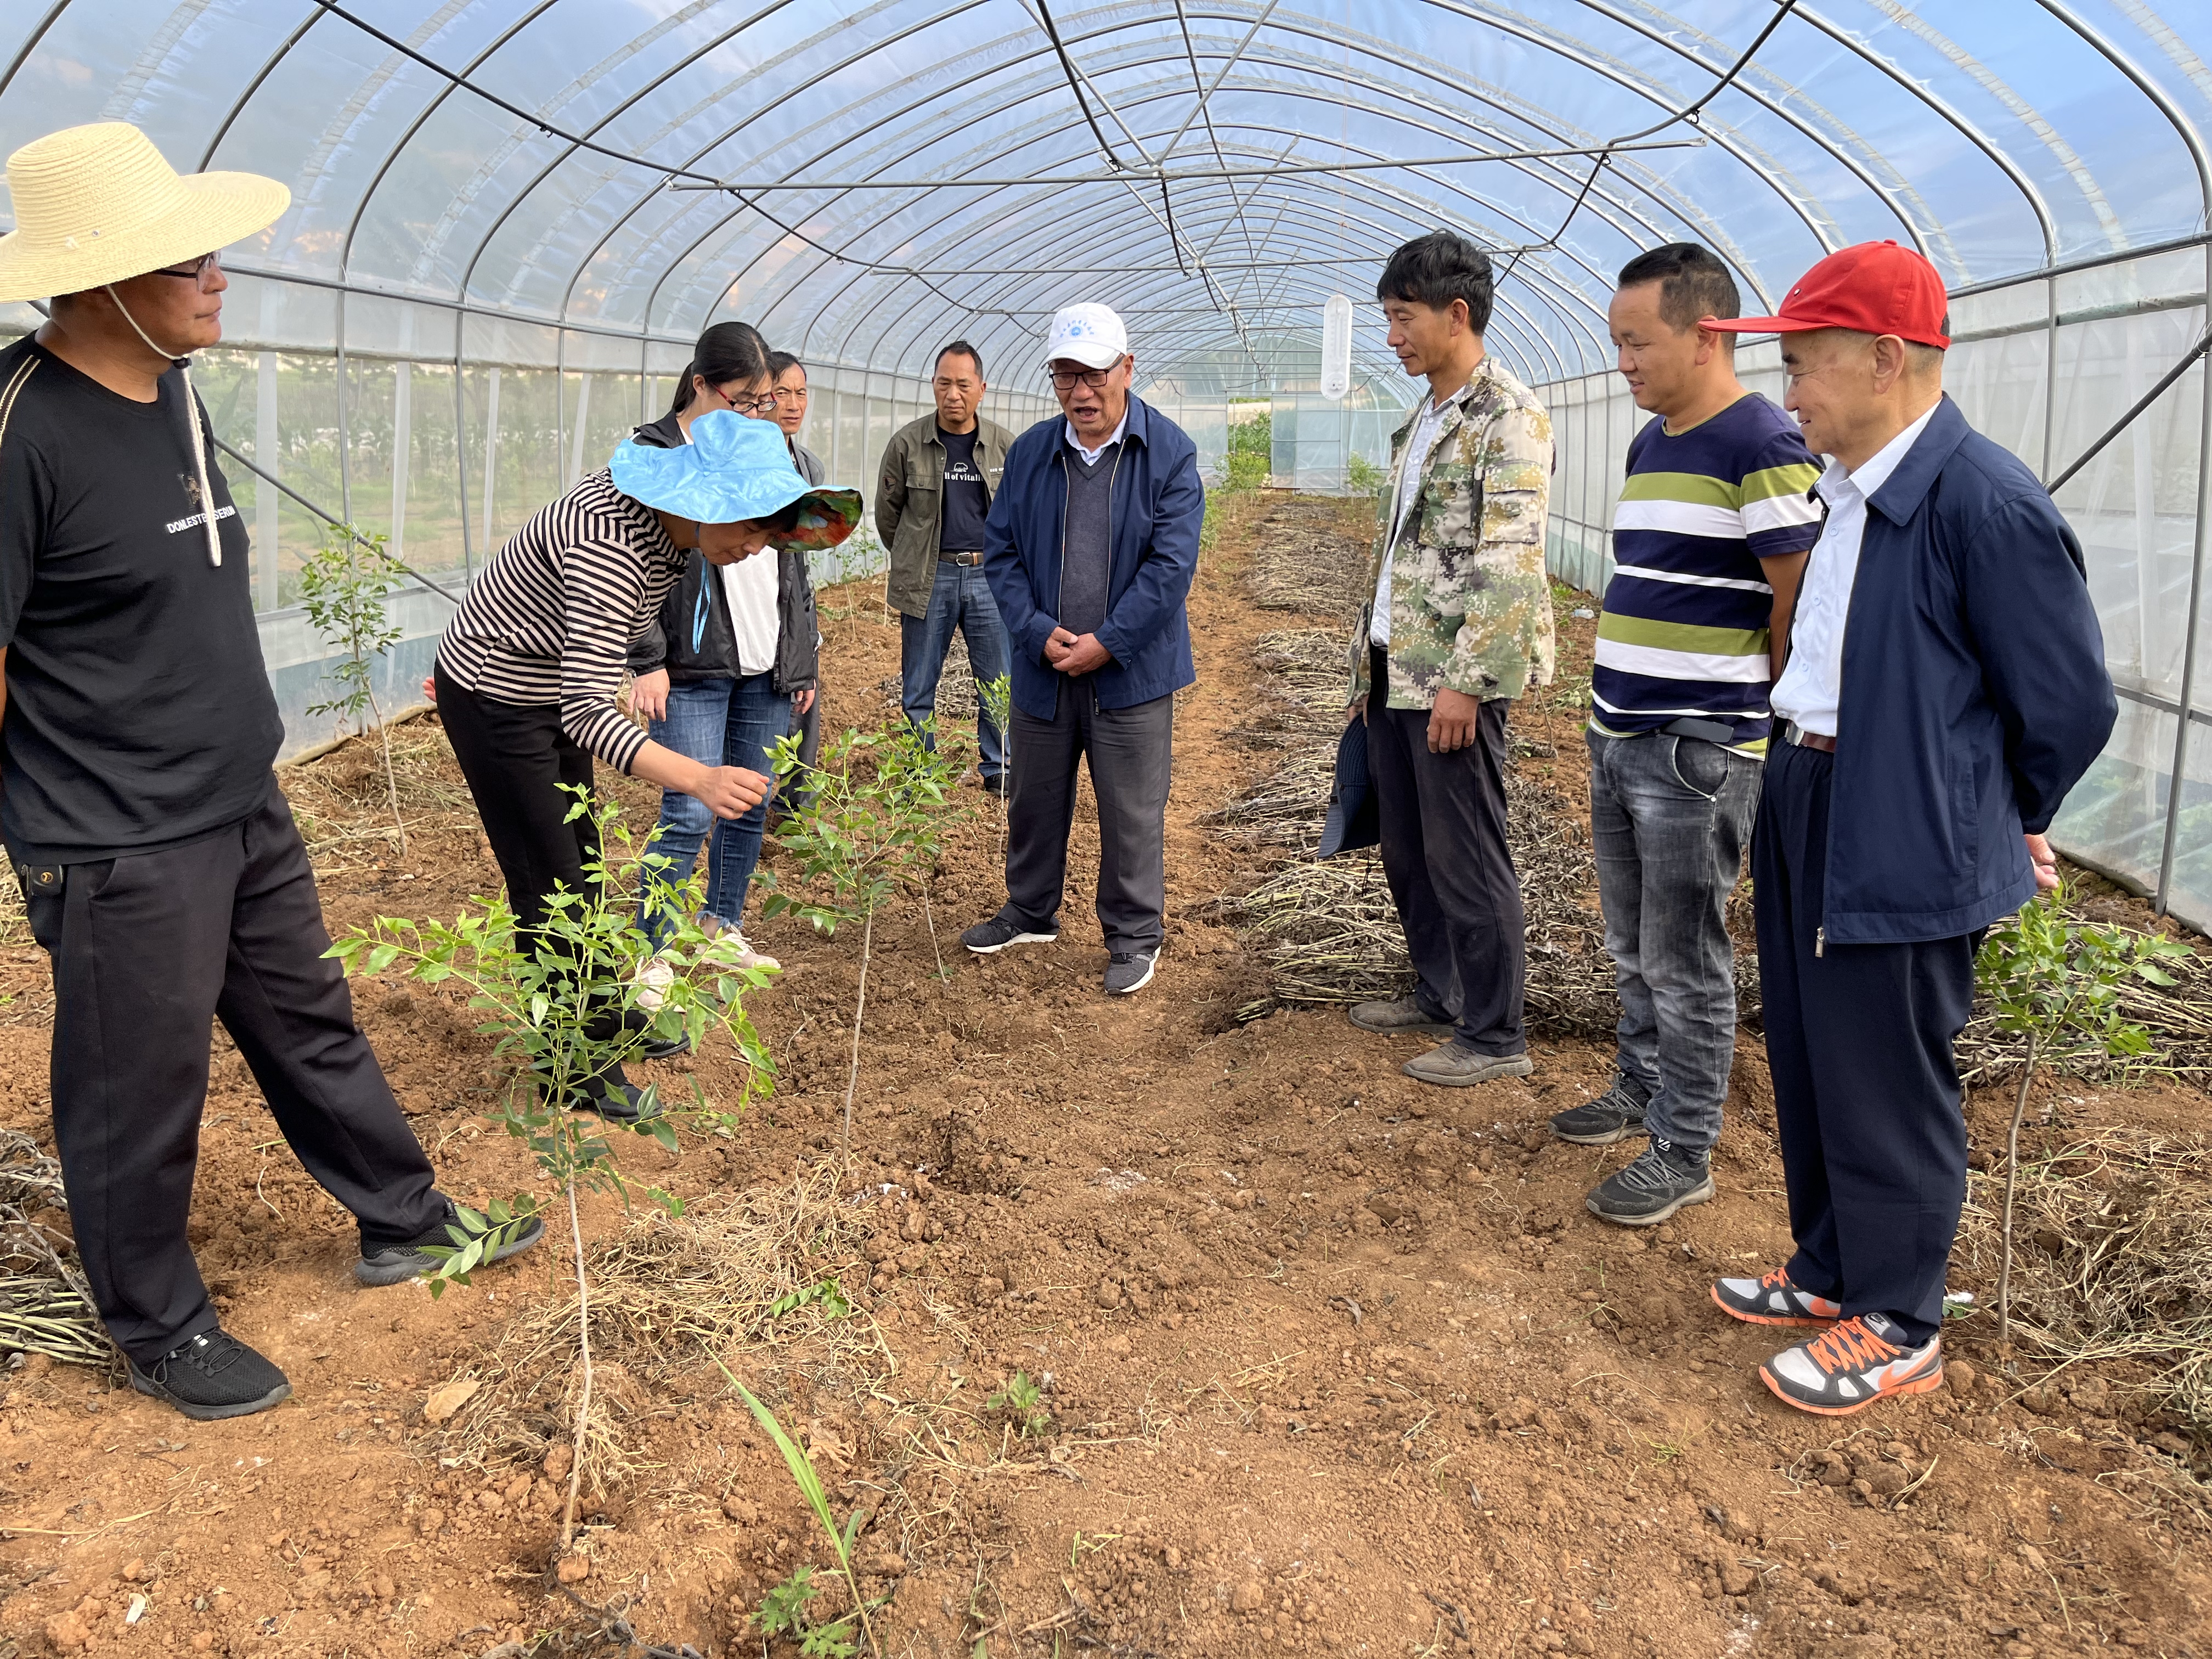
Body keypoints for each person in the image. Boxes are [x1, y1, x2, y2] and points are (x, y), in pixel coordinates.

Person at [0, 121, 541, 1423]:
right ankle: (157, 1321)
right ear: (103, 278)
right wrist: (53, 830)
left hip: (240, 799)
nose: (219, 271)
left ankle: (401, 1220)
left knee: (310, 1020)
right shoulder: (20, 432)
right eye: (187, 254)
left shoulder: (172, 387)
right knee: (138, 1087)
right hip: (119, 836)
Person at [1701, 241, 2114, 1414]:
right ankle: (1834, 1267)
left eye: (1806, 367)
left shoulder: (1983, 504)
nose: (1791, 396)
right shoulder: (1854, 490)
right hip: (1814, 793)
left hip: (1904, 826)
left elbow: (2068, 704)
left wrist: (1998, 810)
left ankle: (1900, 1317)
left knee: (1887, 1072)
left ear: (1885, 359)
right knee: (1817, 1053)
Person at [434, 409, 857, 1117]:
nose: (758, 547)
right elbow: (585, 712)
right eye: (750, 526)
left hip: (554, 685)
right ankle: (573, 1073)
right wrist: (699, 776)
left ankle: (597, 1020)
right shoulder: (613, 545)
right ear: (699, 503)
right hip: (498, 695)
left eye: (767, 530)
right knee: (550, 875)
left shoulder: (670, 532)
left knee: (584, 859)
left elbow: (596, 672)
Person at [1551, 244, 1822, 1227]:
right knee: (1631, 941)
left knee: (1685, 952)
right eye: (1616, 342)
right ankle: (1638, 1086)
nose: (1622, 360)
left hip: (1695, 747)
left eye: (1638, 342)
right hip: (1618, 728)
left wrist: (1754, 718)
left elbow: (1795, 597)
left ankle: (1684, 1142)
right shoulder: (1654, 438)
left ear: (1706, 334)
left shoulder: (1762, 441)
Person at [1344, 231, 1555, 1087]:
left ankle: (1496, 1032)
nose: (1391, 336)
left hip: (1454, 681)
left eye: (1402, 318)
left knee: (1467, 851)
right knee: (1409, 848)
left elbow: (1510, 564)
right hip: (1398, 667)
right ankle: (1441, 990)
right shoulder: (1427, 414)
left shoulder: (1508, 418)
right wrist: (1369, 669)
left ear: (1456, 314)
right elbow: (1399, 554)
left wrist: (1466, 686)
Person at [961, 303, 1203, 995]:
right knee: (1034, 800)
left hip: (1132, 672)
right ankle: (1031, 909)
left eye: (1095, 374)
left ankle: (1133, 936)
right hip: (1045, 665)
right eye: (1066, 376)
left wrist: (1109, 642)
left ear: (1127, 370)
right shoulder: (1035, 451)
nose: (1082, 392)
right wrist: (1037, 632)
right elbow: (1000, 552)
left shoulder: (1169, 452)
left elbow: (1170, 568)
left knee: (1131, 809)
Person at [624, 326, 821, 1001]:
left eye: (765, 402)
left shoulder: (769, 450)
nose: (756, 413)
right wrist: (647, 657)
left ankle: (721, 923)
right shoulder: (653, 456)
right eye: (746, 399)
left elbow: (791, 569)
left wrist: (799, 659)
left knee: (750, 801)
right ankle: (652, 950)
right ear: (701, 384)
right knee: (687, 807)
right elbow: (637, 574)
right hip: (692, 668)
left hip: (766, 659)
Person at [878, 341, 1016, 785]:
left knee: (997, 681)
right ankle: (920, 771)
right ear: (933, 387)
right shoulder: (907, 445)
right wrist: (916, 559)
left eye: (962, 384)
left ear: (981, 389)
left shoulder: (1004, 447)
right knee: (918, 683)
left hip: (988, 578)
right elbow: (888, 518)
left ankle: (999, 769)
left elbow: (1022, 515)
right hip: (930, 576)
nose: (952, 394)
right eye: (944, 383)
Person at [766, 349, 827, 798]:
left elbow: (803, 557)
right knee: (766, 706)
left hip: (797, 602)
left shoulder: (809, 467)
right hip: (756, 606)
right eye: (781, 393)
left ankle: (794, 808)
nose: (793, 404)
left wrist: (809, 623)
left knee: (805, 704)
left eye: (800, 393)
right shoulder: (744, 465)